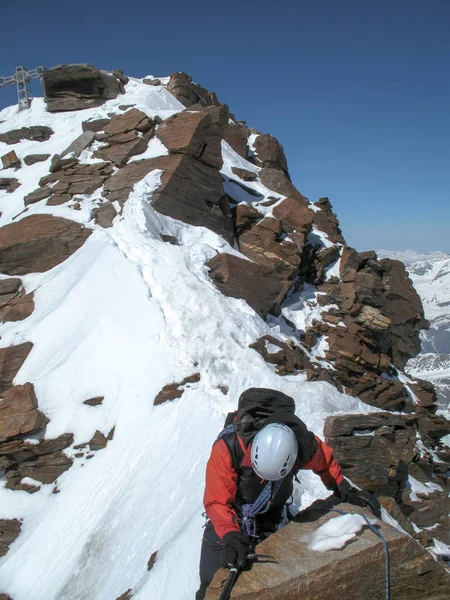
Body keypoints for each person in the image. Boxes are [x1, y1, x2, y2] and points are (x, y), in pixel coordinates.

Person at [196, 388, 381, 600]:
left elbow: (326, 463)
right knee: (210, 581)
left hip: (269, 519)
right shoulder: (228, 447)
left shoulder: (302, 446)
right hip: (231, 515)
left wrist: (344, 490)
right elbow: (217, 500)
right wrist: (230, 535)